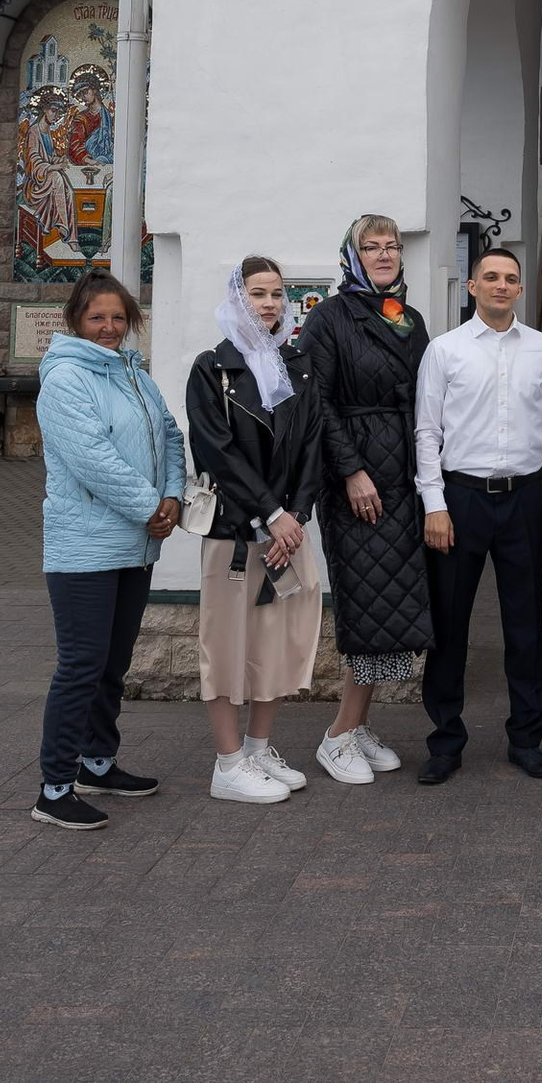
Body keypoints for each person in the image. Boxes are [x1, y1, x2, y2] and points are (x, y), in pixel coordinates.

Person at [414, 246, 542, 784]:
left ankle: (526, 739)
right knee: (449, 624)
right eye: (491, 277)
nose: (501, 285)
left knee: (525, 625)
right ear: (472, 286)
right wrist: (435, 505)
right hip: (459, 499)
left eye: (510, 278)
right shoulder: (445, 350)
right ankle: (445, 742)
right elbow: (427, 433)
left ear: (520, 289)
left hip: (524, 499)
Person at [32, 269, 185, 828]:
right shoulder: (65, 378)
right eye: (97, 317)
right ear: (76, 319)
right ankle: (54, 788)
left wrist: (173, 495)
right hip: (85, 549)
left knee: (113, 665)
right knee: (81, 666)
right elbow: (92, 459)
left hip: (135, 545)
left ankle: (97, 763)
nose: (109, 327)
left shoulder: (134, 374)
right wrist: (152, 507)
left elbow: (170, 436)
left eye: (119, 317)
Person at [296, 215, 435, 785]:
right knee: (367, 602)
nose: (383, 255)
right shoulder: (329, 317)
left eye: (392, 247)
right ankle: (337, 736)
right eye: (371, 247)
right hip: (359, 481)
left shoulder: (408, 317)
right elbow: (316, 402)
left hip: (404, 474)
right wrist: (351, 471)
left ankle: (356, 727)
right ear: (352, 256)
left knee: (391, 602)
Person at [185, 258, 326, 805]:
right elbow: (216, 451)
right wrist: (270, 513)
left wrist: (297, 515)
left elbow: (312, 444)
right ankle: (227, 764)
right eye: (257, 294)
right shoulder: (212, 369)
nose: (268, 304)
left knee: (277, 642)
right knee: (225, 645)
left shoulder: (296, 364)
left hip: (287, 530)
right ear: (237, 299)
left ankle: (258, 749)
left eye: (276, 294)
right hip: (236, 531)